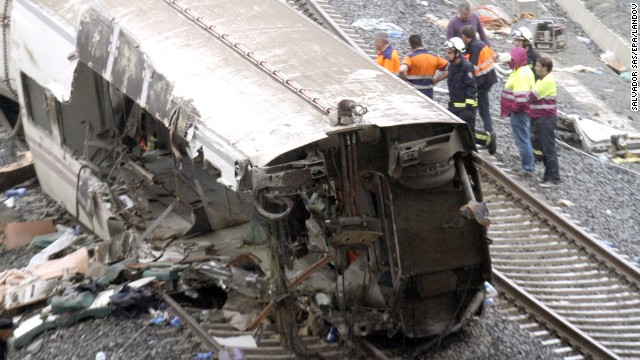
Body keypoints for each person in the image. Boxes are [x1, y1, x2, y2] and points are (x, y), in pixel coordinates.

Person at [461, 25, 497, 154]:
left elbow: (474, 70)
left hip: (482, 84)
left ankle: (483, 139)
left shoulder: (474, 48)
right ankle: (490, 139)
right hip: (488, 80)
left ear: (464, 37)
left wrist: (470, 87)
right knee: (485, 111)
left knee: (472, 110)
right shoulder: (480, 44)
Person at [501, 47, 536, 177]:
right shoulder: (524, 70)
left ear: (519, 60)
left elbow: (521, 98)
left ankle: (527, 168)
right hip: (523, 112)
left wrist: (513, 109)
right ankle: (527, 165)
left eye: (513, 59)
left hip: (519, 113)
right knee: (524, 138)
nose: (510, 62)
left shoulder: (521, 74)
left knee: (522, 140)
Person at [528, 57, 561, 187]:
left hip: (546, 119)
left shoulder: (547, 81)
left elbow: (532, 96)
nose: (535, 67)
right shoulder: (542, 79)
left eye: (538, 66)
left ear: (545, 69)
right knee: (544, 147)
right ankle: (548, 176)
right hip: (541, 118)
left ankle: (554, 178)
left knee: (548, 148)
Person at [512, 26, 543, 161]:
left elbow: (542, 77)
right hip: (524, 96)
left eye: (519, 40)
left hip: (534, 96)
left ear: (526, 42)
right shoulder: (517, 54)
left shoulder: (535, 56)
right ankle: (530, 152)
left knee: (535, 126)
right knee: (527, 126)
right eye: (516, 40)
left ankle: (538, 154)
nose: (516, 43)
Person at [399, 35, 449, 99]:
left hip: (413, 93)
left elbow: (402, 70)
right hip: (428, 94)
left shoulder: (410, 57)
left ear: (411, 46)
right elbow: (449, 68)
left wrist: (404, 81)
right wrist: (437, 79)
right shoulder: (434, 57)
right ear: (422, 43)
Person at [444, 37, 477, 131]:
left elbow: (471, 88)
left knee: (468, 136)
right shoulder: (451, 67)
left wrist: (469, 109)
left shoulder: (467, 67)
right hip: (454, 108)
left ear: (458, 53)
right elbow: (453, 88)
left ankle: (489, 139)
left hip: (466, 109)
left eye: (450, 53)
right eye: (447, 52)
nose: (447, 54)